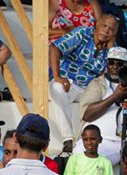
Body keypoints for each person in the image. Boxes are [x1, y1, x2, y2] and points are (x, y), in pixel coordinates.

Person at [50, 15, 118, 152]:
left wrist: (111, 51)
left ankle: (85, 141)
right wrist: (57, 76)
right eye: (104, 26)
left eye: (111, 29)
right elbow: (55, 48)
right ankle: (68, 139)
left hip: (90, 88)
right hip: (69, 81)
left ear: (114, 34)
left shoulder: (111, 50)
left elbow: (112, 74)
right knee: (56, 89)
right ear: (97, 24)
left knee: (105, 102)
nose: (106, 31)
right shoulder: (83, 33)